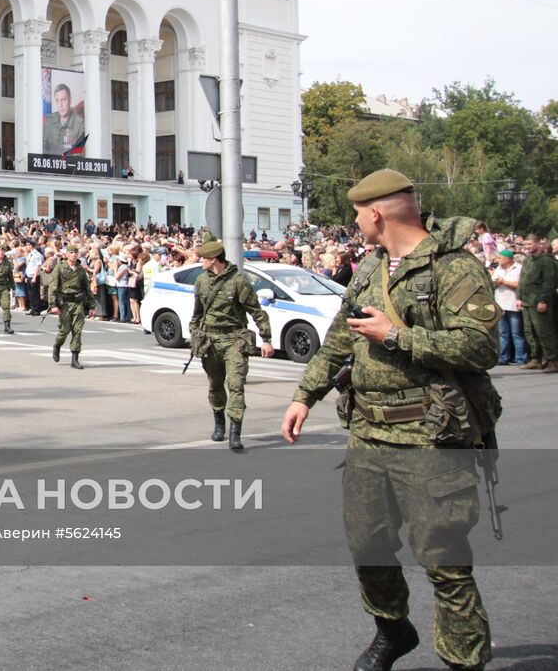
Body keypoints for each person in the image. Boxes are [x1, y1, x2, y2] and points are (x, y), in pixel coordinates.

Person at [281, 169, 501, 671]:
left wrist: (396, 337)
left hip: (431, 434)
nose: (357, 222)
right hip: (368, 431)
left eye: (359, 214)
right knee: (368, 545)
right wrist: (304, 395)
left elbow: (481, 346)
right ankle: (393, 630)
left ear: (375, 213)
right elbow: (341, 336)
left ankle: (464, 660)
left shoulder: (454, 269)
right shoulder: (370, 268)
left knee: (443, 558)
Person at [188, 238, 273, 450]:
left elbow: (256, 311)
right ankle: (219, 424)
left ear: (214, 259)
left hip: (234, 339)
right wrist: (194, 334)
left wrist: (267, 339)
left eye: (204, 258)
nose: (201, 262)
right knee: (215, 385)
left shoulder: (238, 281)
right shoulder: (201, 281)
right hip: (210, 341)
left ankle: (236, 432)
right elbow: (197, 312)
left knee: (236, 385)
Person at [516, 232, 557, 372]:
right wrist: (519, 297)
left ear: (538, 243)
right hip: (527, 301)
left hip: (538, 301)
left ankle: (553, 360)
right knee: (530, 332)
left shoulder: (546, 260)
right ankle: (536, 358)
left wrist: (543, 300)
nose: (527, 246)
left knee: (544, 331)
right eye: (525, 244)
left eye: (530, 244)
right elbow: (522, 280)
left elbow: (549, 281)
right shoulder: (528, 260)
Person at [49, 250, 92, 369]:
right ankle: (57, 345)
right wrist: (53, 305)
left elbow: (86, 288)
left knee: (77, 331)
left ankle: (75, 359)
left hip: (77, 303)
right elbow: (53, 286)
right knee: (64, 330)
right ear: (67, 254)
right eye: (71, 252)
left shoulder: (81, 269)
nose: (74, 255)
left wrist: (92, 305)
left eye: (75, 253)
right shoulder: (59, 268)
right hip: (65, 303)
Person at [490, 248, 527, 366]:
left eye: (500, 258)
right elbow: (492, 283)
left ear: (508, 259)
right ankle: (503, 357)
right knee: (502, 333)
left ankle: (521, 357)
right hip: (500, 304)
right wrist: (496, 283)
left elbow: (520, 285)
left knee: (516, 333)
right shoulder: (499, 269)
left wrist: (504, 282)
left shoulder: (519, 268)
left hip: (513, 303)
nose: (497, 260)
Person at [42, 82, 86, 155]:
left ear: (70, 100)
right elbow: (42, 150)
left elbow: (80, 154)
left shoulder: (80, 124)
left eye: (63, 100)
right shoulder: (48, 121)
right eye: (57, 100)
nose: (60, 105)